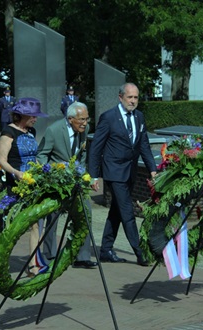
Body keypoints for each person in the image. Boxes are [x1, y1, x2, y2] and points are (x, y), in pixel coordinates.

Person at [88, 82, 157, 266]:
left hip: (131, 171)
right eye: (129, 97)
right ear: (121, 97)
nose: (133, 101)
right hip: (114, 172)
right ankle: (140, 252)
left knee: (117, 210)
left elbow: (144, 145)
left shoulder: (139, 117)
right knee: (127, 211)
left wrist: (152, 169)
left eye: (136, 98)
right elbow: (96, 147)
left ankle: (106, 250)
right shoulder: (109, 117)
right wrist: (93, 176)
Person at [37, 101, 98, 269]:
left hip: (76, 181)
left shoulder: (83, 130)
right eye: (81, 120)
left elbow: (82, 155)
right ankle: (50, 255)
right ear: (70, 119)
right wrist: (48, 175)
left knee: (85, 213)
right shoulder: (54, 130)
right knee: (52, 218)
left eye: (87, 119)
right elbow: (42, 154)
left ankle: (82, 256)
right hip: (56, 182)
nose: (85, 123)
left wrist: (87, 177)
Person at [0, 97, 48, 277]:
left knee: (36, 224)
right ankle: (0, 263)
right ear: (23, 115)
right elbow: (1, 160)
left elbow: (34, 156)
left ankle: (34, 264)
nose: (35, 119)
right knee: (14, 227)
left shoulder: (31, 131)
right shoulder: (9, 132)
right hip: (16, 185)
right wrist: (16, 173)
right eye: (33, 116)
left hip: (32, 183)